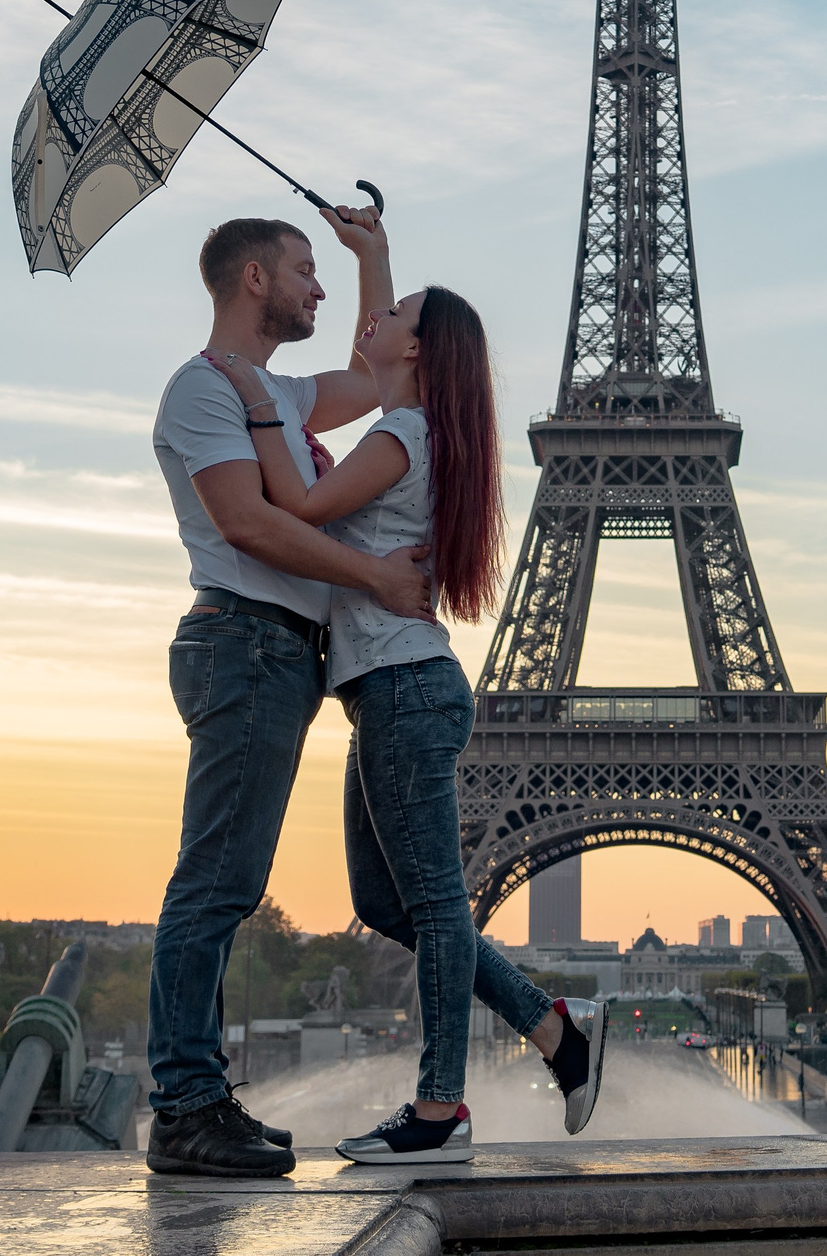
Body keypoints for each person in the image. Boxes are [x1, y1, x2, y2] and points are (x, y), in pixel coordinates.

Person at [205, 285, 606, 1164]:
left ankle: (439, 1111)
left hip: (403, 686)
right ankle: (551, 1026)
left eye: (391, 317)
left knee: (429, 903)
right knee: (385, 902)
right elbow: (368, 375)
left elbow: (298, 513)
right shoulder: (413, 431)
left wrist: (259, 403)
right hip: (389, 687)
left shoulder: (402, 435)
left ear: (418, 350)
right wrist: (372, 256)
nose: (371, 325)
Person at [145, 209, 435, 1180]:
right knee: (215, 882)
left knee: (227, 879)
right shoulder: (203, 388)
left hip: (279, 650)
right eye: (306, 272)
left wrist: (372, 257)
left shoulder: (270, 390)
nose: (319, 290)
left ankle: (197, 1094)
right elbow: (250, 526)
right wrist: (377, 581)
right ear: (255, 278)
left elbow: (369, 380)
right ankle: (185, 1103)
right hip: (244, 639)